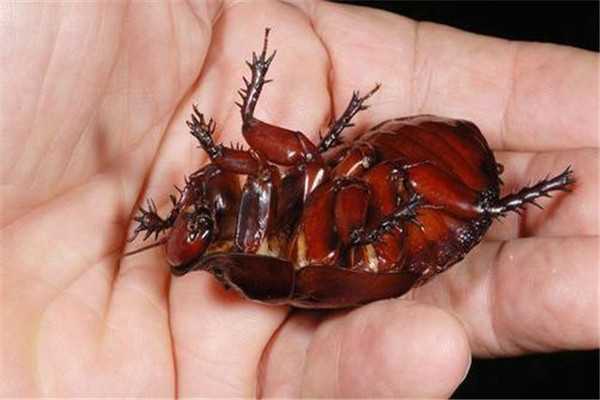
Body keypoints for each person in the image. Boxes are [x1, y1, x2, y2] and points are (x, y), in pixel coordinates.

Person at [1, 1, 597, 397]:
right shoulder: (270, 255)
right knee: (356, 221)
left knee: (330, 176)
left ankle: (487, 204)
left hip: (391, 156)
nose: (197, 208)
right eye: (195, 225)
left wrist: (247, 125)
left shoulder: (262, 196)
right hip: (391, 222)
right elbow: (322, 254)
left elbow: (291, 165)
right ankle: (494, 207)